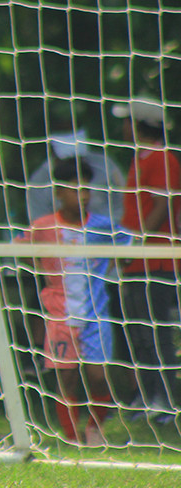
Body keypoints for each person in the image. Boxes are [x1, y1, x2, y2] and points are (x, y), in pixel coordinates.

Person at [18, 158, 132, 445]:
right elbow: (19, 248)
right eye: (74, 189)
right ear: (58, 192)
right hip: (59, 316)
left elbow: (130, 246)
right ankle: (71, 438)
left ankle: (94, 428)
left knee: (98, 377)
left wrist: (121, 259)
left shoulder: (103, 227)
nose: (81, 196)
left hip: (97, 315)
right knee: (65, 379)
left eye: (86, 189)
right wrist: (39, 263)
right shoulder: (43, 226)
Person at [115, 98, 181, 423]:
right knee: (140, 333)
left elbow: (163, 204)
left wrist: (138, 242)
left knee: (157, 333)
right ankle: (149, 396)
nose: (122, 126)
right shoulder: (139, 159)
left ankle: (168, 401)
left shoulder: (161, 159)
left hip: (156, 261)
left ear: (139, 123)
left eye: (127, 120)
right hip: (136, 260)